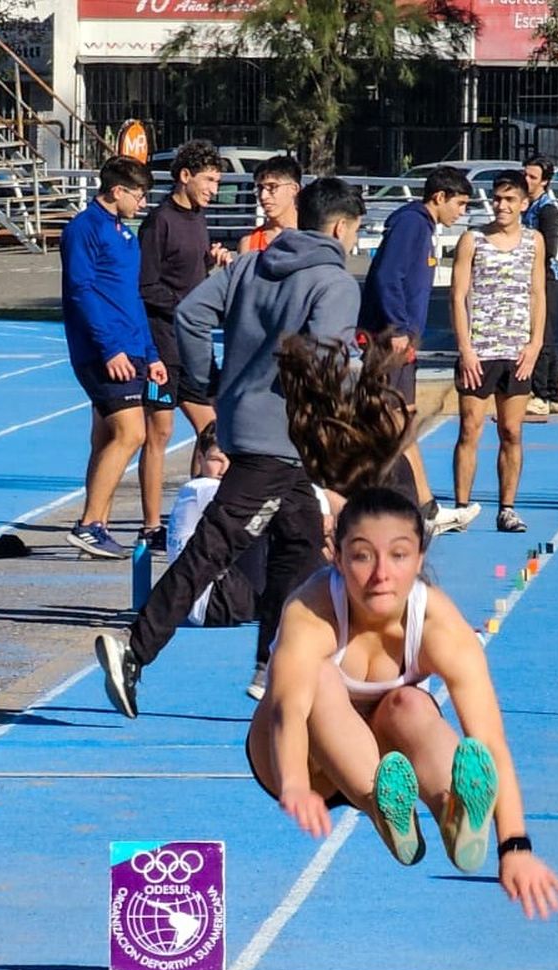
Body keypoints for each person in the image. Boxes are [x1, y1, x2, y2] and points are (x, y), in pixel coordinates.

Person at [245, 339, 558, 917]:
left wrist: (514, 845)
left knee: (412, 709)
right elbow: (288, 711)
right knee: (318, 680)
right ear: (335, 556)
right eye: (362, 556)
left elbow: (490, 739)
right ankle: (382, 804)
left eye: (397, 555)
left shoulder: (438, 620)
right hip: (299, 759)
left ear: (419, 557)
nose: (380, 574)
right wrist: (294, 782)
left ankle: (451, 811)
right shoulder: (312, 609)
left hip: (387, 742)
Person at [94, 176, 366, 716]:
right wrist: (358, 388)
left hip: (257, 433)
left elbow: (193, 314)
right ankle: (135, 649)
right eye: (356, 233)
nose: (355, 243)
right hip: (276, 437)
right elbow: (331, 363)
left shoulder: (251, 263)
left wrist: (209, 380)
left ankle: (273, 663)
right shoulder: (335, 283)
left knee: (303, 540)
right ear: (339, 228)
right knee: (213, 548)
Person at [61, 155, 168, 560]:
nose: (142, 203)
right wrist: (110, 349)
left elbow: (131, 297)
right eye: (138, 195)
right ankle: (88, 524)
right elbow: (80, 291)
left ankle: (97, 526)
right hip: (103, 351)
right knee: (132, 433)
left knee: (108, 436)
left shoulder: (124, 234)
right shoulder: (83, 229)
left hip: (132, 348)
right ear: (118, 191)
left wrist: (151, 352)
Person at [357, 165, 474, 531]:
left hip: (402, 338)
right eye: (461, 203)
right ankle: (402, 503)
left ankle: (425, 506)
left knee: (398, 420)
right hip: (391, 337)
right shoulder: (411, 224)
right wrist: (397, 327)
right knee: (390, 421)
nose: (462, 212)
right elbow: (387, 276)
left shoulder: (422, 227)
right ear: (439, 197)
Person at [139, 138, 233, 540]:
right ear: (185, 177)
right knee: (158, 434)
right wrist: (187, 304)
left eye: (217, 181)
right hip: (163, 346)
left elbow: (190, 278)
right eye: (209, 180)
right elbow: (145, 286)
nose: (214, 189)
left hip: (195, 346)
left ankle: (197, 511)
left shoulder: (199, 219)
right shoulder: (159, 221)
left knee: (211, 430)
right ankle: (151, 525)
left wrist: (211, 268)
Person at [448, 170, 545, 535]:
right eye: (497, 199)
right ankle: (460, 508)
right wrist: (466, 349)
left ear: (523, 203)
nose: (501, 206)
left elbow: (538, 293)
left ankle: (507, 508)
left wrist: (535, 344)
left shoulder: (534, 242)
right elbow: (458, 296)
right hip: (480, 349)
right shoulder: (473, 239)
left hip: (517, 351)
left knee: (511, 430)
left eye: (509, 200)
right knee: (470, 429)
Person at [166, 427, 263, 627]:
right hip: (215, 601)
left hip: (207, 597)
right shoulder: (203, 488)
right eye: (217, 460)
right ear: (200, 459)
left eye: (233, 460)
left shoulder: (196, 490)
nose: (225, 469)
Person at [521, 156, 558, 415]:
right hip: (530, 277)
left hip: (547, 278)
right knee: (545, 336)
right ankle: (555, 394)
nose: (526, 180)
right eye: (524, 174)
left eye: (532, 177)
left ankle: (542, 394)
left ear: (545, 181)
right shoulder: (525, 205)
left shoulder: (547, 209)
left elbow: (550, 249)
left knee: (540, 336)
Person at [239, 154, 303, 253]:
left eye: (272, 187)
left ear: (294, 189)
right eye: (260, 188)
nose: (263, 196)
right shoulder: (249, 243)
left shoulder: (314, 236)